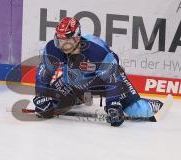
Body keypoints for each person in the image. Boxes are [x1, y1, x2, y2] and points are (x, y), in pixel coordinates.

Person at [33, 17, 163, 127]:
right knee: (51, 104)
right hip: (76, 78)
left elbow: (112, 78)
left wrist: (113, 105)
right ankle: (79, 97)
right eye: (60, 40)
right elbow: (44, 73)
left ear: (77, 38)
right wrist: (41, 96)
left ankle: (153, 105)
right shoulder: (53, 48)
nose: (62, 45)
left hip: (107, 78)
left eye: (67, 40)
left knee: (136, 111)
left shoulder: (96, 51)